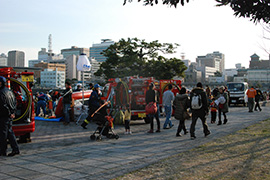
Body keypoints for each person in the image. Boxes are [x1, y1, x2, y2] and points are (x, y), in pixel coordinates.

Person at [0, 76, 20, 156]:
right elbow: (15, 102)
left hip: (3, 116)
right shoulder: (10, 92)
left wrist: (8, 113)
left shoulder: (1, 92)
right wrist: (13, 113)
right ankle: (15, 149)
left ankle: (3, 151)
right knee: (10, 133)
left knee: (3, 134)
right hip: (10, 116)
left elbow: (3, 105)